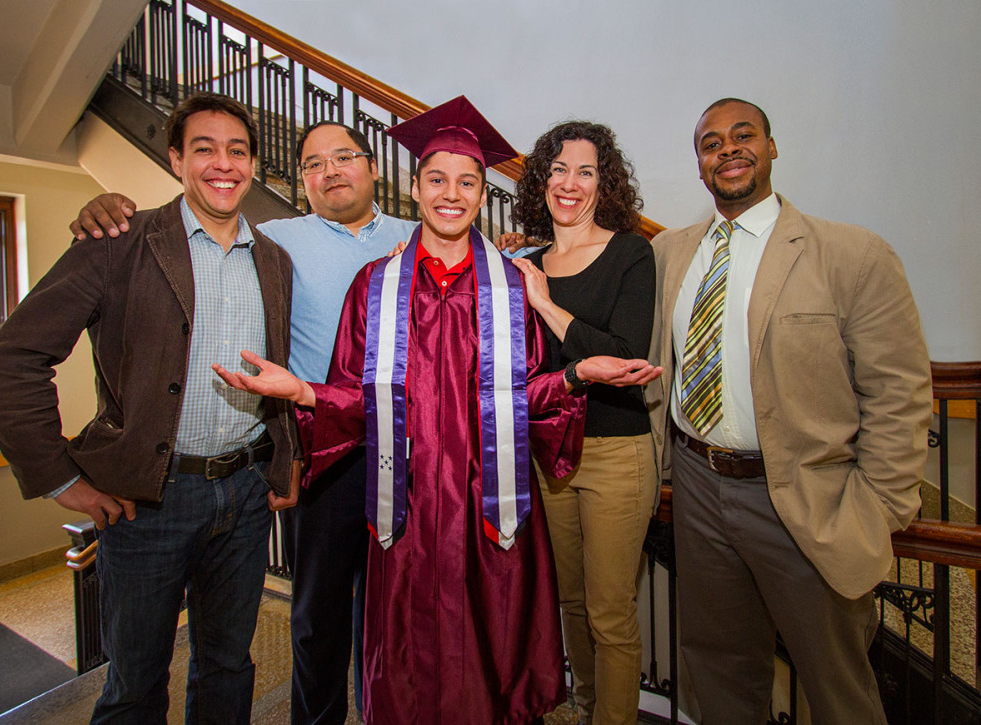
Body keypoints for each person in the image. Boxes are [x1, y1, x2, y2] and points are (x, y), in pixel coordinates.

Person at [212, 96, 663, 725]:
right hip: (411, 508)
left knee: (489, 649)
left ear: (482, 194)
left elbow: (525, 399)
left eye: (468, 182)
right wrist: (306, 394)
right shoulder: (376, 284)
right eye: (436, 180)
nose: (451, 194)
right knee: (410, 655)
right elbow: (359, 396)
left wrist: (574, 374)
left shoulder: (511, 286)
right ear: (415, 189)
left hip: (488, 508)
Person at [71, 120, 417, 724]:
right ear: (299, 179)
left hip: (414, 452)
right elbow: (191, 220)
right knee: (318, 618)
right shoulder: (275, 240)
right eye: (313, 163)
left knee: (403, 615)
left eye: (345, 157)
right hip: (326, 454)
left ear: (374, 167)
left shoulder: (426, 234)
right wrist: (105, 209)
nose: (331, 171)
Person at [0, 92, 296, 723]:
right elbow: (14, 357)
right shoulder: (117, 243)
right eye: (203, 149)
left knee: (229, 665)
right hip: (148, 501)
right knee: (135, 679)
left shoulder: (274, 260)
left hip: (243, 494)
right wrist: (62, 478)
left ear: (254, 165)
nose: (222, 164)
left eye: (238, 150)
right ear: (176, 159)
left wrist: (281, 463)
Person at [646, 98, 932, 724]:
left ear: (772, 147)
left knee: (837, 686)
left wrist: (879, 506)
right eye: (711, 143)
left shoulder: (851, 254)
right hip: (696, 488)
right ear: (699, 166)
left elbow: (899, 391)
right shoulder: (670, 253)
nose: (728, 149)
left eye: (743, 135)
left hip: (806, 497)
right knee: (719, 668)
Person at [509, 121, 658, 725]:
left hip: (616, 453)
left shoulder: (630, 252)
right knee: (570, 601)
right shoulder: (524, 260)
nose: (570, 183)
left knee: (609, 612)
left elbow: (623, 353)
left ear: (606, 183)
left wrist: (547, 304)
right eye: (559, 169)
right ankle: (591, 708)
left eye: (586, 171)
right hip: (550, 453)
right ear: (542, 180)